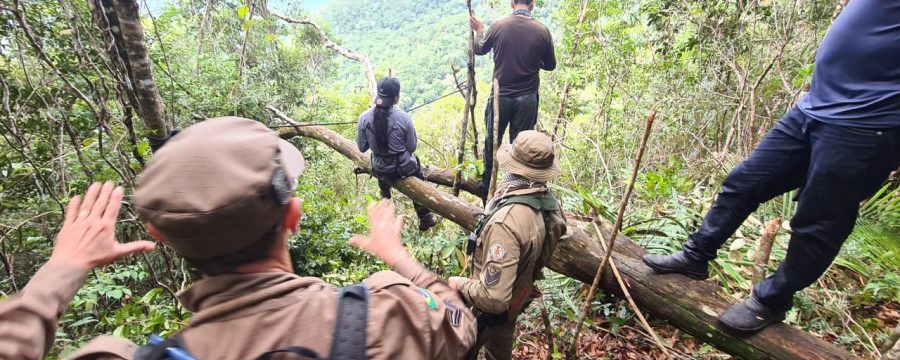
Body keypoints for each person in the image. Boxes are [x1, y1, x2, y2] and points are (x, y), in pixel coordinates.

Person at [0, 117, 476, 359]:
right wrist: (399, 261)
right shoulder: (388, 314)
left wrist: (62, 270)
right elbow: (460, 325)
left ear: (159, 236)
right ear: (293, 215)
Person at [643, 0, 900, 333]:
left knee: (820, 220)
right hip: (814, 107)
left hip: (867, 123)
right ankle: (696, 255)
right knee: (745, 181)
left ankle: (771, 301)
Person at [448, 131, 567, 360]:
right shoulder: (551, 206)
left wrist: (458, 283)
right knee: (500, 350)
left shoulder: (506, 224)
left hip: (486, 311)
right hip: (516, 297)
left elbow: (493, 298)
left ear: (513, 168)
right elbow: (545, 249)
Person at [469, 0, 557, 197]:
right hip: (527, 98)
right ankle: (517, 189)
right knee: (522, 145)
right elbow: (550, 65)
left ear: (512, 3)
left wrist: (480, 30)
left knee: (493, 141)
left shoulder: (499, 26)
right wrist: (533, 61)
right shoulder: (542, 31)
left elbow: (480, 49)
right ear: (532, 4)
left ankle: (486, 188)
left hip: (501, 96)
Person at [357, 77, 438, 231]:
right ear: (396, 98)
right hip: (403, 168)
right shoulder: (404, 118)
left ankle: (386, 205)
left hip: (380, 168)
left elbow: (362, 147)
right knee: (418, 172)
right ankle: (425, 217)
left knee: (382, 177)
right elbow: (411, 147)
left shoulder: (364, 118)